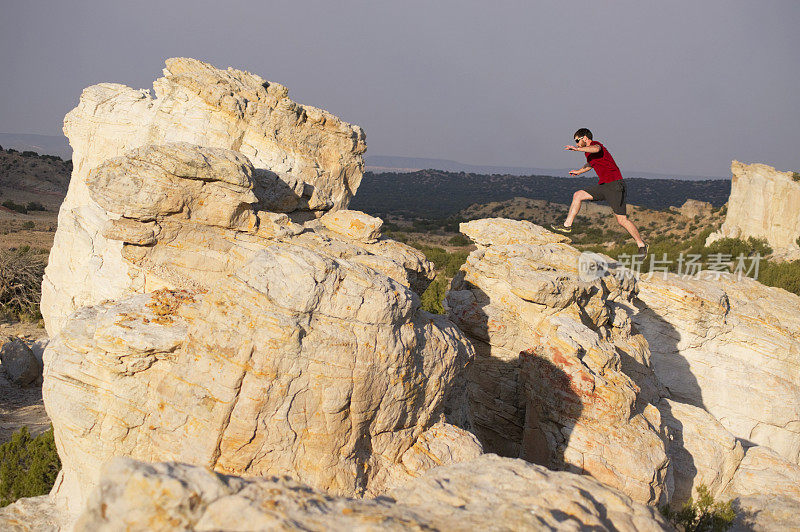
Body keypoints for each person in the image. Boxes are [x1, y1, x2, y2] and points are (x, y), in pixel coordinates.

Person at [550, 128, 648, 258]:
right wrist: (579, 171)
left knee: (621, 220)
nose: (577, 143)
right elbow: (591, 164)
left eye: (577, 140)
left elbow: (596, 149)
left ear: (585, 138)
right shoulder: (588, 153)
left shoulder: (596, 145)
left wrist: (576, 149)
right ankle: (567, 225)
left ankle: (641, 245)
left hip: (615, 185)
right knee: (578, 195)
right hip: (603, 186)